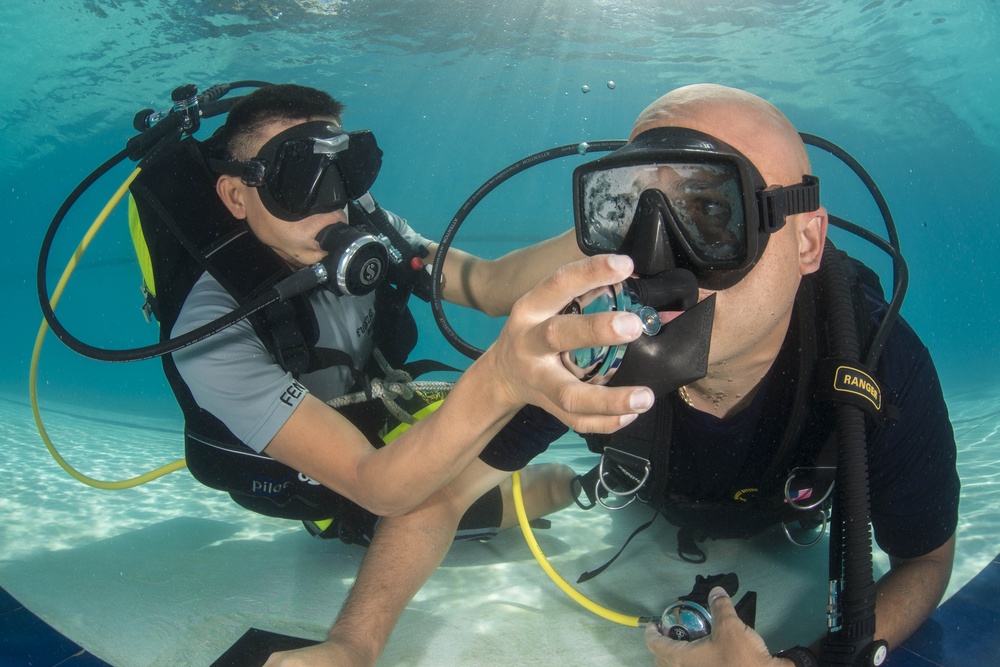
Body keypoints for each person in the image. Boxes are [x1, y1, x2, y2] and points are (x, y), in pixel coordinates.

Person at [265, 83, 959, 667]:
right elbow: (439, 495)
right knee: (589, 483)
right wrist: (352, 643)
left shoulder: (874, 363)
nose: (658, 259)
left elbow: (925, 559)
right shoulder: (594, 347)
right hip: (653, 498)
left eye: (710, 213)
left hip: (788, 516)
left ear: (805, 240)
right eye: (625, 212)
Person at [144, 83, 656, 658]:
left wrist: (616, 221)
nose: (332, 204)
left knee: (463, 454)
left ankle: (590, 479)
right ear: (237, 195)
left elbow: (485, 286)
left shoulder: (366, 224)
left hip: (370, 399)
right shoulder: (210, 328)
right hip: (309, 466)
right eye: (299, 179)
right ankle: (588, 487)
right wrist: (503, 379)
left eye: (346, 171)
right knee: (424, 509)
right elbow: (376, 484)